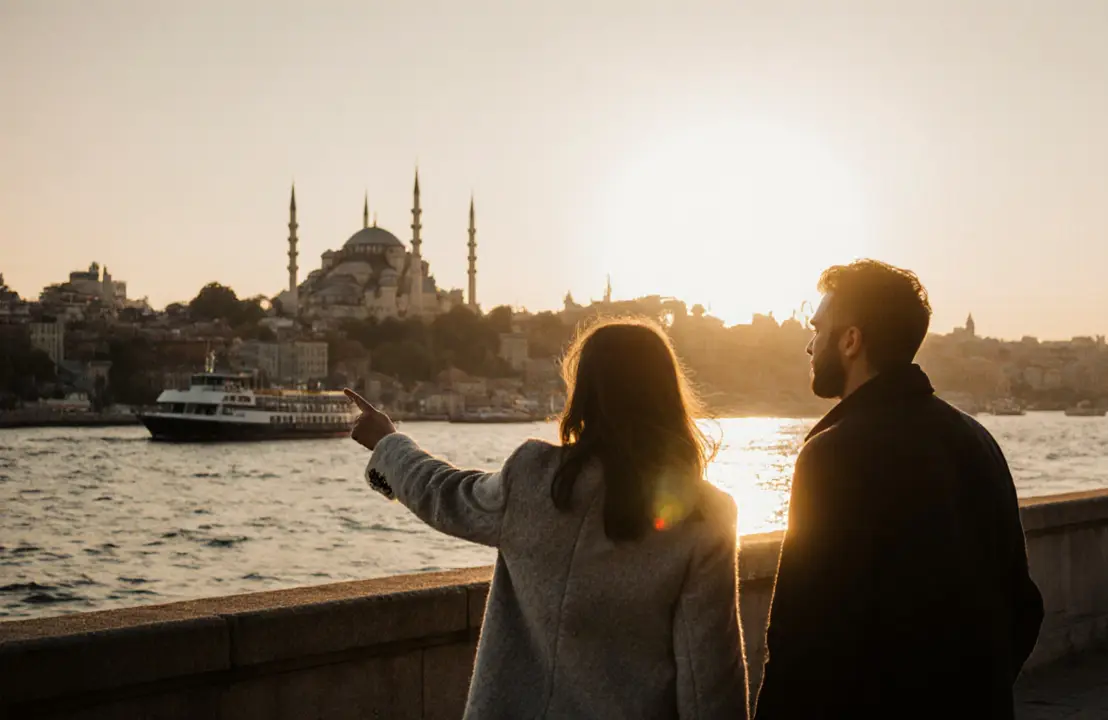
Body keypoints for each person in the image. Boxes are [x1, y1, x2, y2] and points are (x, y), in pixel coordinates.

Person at [345, 317, 749, 720]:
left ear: (584, 394)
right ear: (668, 397)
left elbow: (444, 493)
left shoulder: (534, 478)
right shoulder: (705, 517)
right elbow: (709, 686)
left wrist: (387, 443)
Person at [754, 260, 1044, 719]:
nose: (810, 345)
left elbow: (801, 633)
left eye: (818, 328)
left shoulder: (833, 454)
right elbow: (1024, 606)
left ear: (851, 340)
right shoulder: (977, 440)